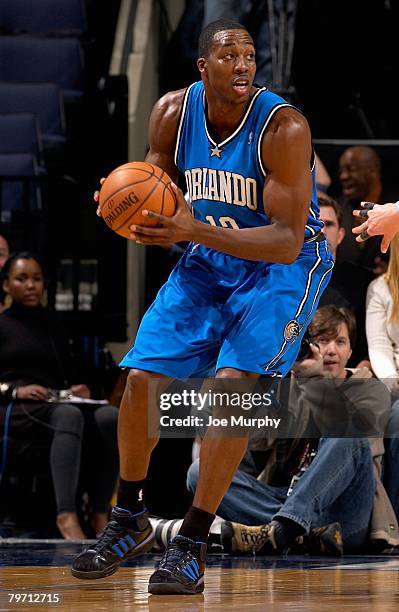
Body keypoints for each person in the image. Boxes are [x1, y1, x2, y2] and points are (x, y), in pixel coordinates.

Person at [71, 19, 333, 595]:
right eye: (229, 55)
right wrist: (123, 200)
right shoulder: (171, 112)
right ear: (202, 66)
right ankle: (129, 517)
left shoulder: (283, 128)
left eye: (249, 55)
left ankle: (190, 542)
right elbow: (155, 189)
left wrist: (191, 229)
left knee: (232, 388)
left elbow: (287, 239)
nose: (242, 64)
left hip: (280, 269)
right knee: (141, 382)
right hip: (207, 256)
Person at [186, 306, 396, 555]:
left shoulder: (368, 388)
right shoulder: (291, 386)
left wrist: (314, 378)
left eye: (340, 342)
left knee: (348, 433)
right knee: (199, 472)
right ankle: (295, 535)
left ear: (351, 351)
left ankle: (282, 530)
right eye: (321, 341)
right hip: (288, 501)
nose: (330, 350)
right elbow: (259, 442)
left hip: (346, 515)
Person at [0, 253, 119, 539]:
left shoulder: (55, 325)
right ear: (6, 285)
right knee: (68, 415)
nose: (31, 285)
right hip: (14, 406)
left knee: (110, 417)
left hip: (55, 402)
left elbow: (75, 369)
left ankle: (101, 511)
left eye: (37, 279)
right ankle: (66, 515)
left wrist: (82, 388)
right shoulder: (2, 325)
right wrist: (16, 389)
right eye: (22, 279)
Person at [336, 145, 388, 274]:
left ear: (373, 170)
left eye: (351, 169)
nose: (343, 176)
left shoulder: (395, 207)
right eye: (341, 171)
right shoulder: (335, 209)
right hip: (341, 290)